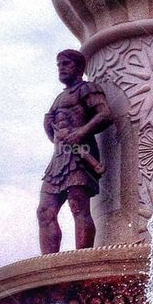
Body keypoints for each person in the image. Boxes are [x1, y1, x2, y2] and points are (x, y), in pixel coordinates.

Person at [36, 51, 113, 254]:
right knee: (44, 211)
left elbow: (105, 114)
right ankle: (49, 264)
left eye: (66, 63)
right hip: (59, 158)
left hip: (81, 155)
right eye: (59, 64)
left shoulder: (87, 89)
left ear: (79, 67)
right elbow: (51, 126)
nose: (61, 67)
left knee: (78, 206)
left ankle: (81, 260)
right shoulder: (60, 97)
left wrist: (80, 132)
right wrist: (54, 133)